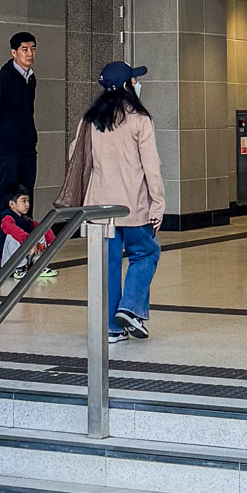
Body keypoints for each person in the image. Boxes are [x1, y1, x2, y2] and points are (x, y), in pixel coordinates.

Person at [67, 61, 166, 340]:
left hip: (99, 207)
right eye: (133, 79)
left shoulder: (89, 121)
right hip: (133, 206)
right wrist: (157, 205)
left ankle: (111, 328)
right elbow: (152, 168)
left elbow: (75, 156)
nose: (136, 83)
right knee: (146, 254)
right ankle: (130, 308)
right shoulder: (139, 120)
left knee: (108, 264)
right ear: (126, 86)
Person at [0, 32, 38, 254]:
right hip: (9, 151)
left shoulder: (30, 78)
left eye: (33, 48)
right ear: (13, 53)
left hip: (27, 150)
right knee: (6, 201)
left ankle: (25, 253)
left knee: (25, 201)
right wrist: (2, 142)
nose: (30, 53)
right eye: (24, 49)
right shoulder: (3, 80)